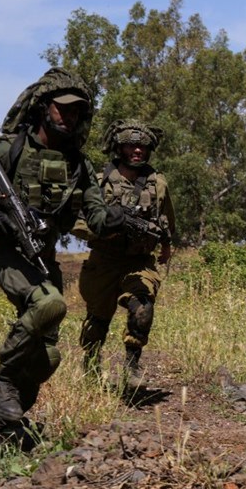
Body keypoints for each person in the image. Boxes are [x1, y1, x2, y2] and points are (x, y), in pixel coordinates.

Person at [0, 67, 125, 459]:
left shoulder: (79, 165)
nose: (69, 117)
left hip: (42, 257)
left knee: (48, 356)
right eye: (62, 109)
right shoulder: (8, 150)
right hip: (5, 252)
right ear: (44, 108)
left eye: (77, 112)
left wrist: (114, 220)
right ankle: (2, 385)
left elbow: (96, 216)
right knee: (50, 304)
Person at [75, 119, 175, 389]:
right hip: (104, 261)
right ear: (119, 147)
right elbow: (78, 223)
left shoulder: (158, 184)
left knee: (142, 309)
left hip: (139, 261)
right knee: (98, 321)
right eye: (131, 145)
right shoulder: (98, 183)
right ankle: (91, 365)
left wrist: (165, 247)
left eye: (142, 146)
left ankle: (132, 367)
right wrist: (107, 229)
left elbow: (166, 221)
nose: (138, 151)